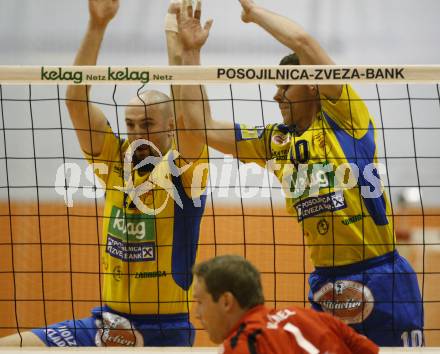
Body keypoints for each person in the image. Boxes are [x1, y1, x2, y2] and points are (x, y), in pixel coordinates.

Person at [176, 0, 424, 347]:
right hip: (326, 284)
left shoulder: (344, 118)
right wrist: (191, 54)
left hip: (381, 275)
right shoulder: (275, 141)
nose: (276, 95)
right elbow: (200, 126)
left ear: (311, 85)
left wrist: (253, 14)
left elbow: (305, 42)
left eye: (285, 86)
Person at [0, 0, 208, 347]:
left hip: (163, 330)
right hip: (107, 324)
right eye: (130, 124)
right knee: (11, 346)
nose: (137, 132)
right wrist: (97, 26)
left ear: (170, 126)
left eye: (147, 124)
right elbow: (75, 101)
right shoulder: (116, 161)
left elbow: (192, 119)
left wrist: (183, 52)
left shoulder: (185, 171)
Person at [193, 255, 379, 353]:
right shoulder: (311, 317)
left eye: (200, 302)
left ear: (226, 302)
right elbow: (370, 351)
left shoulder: (239, 346)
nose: (197, 313)